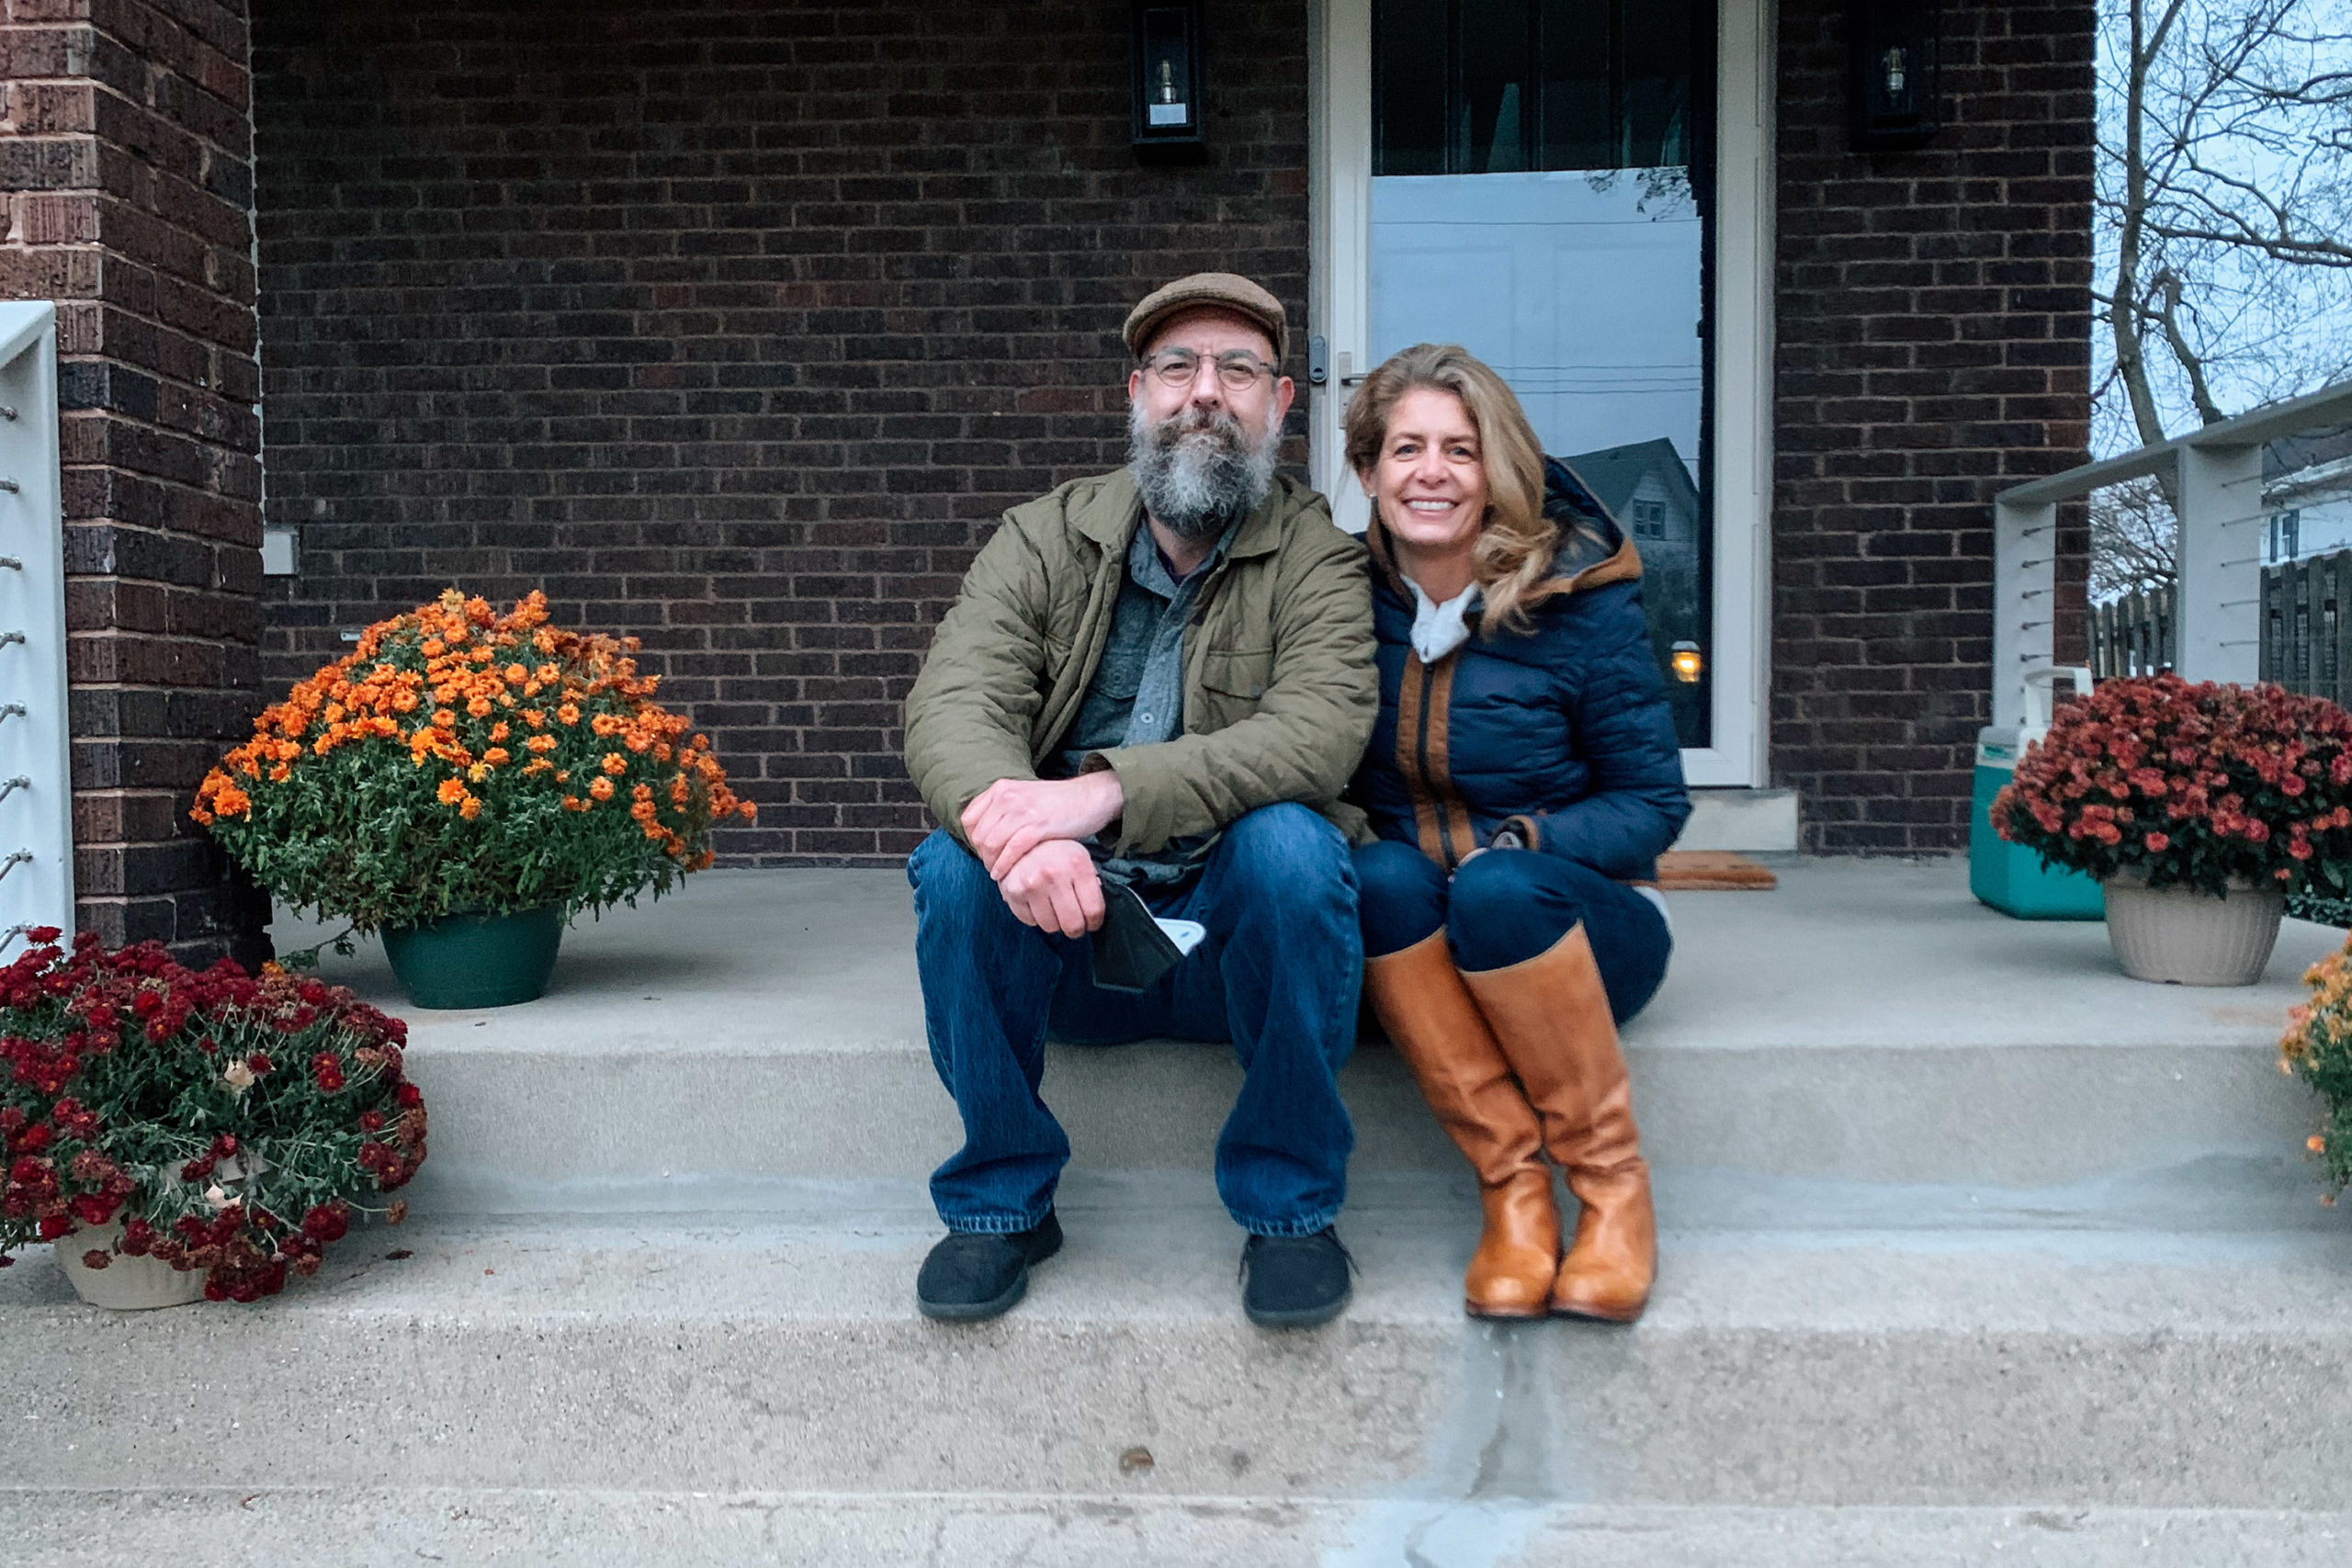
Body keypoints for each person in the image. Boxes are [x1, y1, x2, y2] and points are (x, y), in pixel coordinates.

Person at [899, 273, 1378, 1329]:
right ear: (1137, 392)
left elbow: (1322, 727)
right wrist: (1017, 834)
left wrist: (1098, 797)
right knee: (954, 861)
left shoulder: (1318, 555)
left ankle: (1290, 1210)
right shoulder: (1042, 536)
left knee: (1296, 848)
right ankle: (999, 1204)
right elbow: (954, 700)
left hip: (1226, 945)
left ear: (1281, 401)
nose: (1204, 392)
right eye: (1177, 367)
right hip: (1063, 933)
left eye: (1237, 370)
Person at [1343, 343, 1691, 1324]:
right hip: (1420, 941)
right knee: (1374, 876)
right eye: (1405, 448)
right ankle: (1512, 1194)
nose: (1432, 473)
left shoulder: (1580, 605)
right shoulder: (1338, 603)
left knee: (1493, 891)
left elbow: (1651, 805)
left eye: (1461, 449)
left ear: (1499, 470)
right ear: (1367, 472)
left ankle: (1612, 1193)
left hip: (1567, 925)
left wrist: (1526, 846)